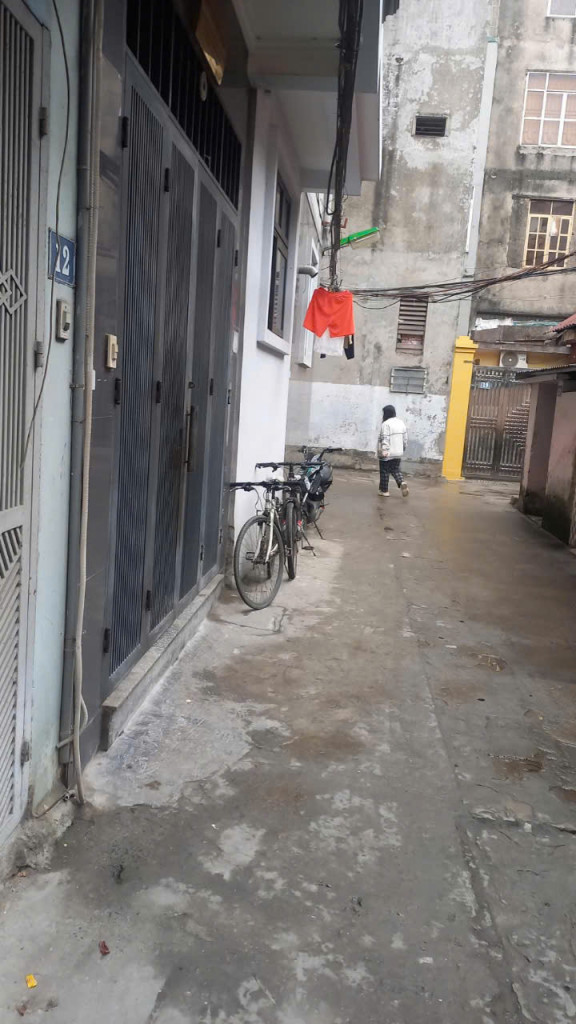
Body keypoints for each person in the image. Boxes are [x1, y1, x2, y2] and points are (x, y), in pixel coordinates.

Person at [377, 405, 409, 497]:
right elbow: (405, 438)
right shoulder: (401, 423)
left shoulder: (386, 424)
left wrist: (384, 450)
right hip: (398, 452)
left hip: (387, 452)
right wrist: (403, 448)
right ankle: (401, 482)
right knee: (395, 469)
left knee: (384, 471)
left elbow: (385, 438)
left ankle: (384, 491)